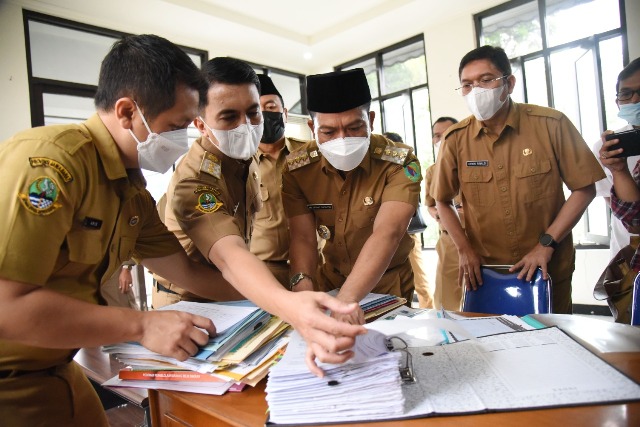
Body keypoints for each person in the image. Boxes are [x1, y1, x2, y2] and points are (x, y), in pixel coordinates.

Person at [0, 36, 362, 426]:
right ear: (126, 112)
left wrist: (281, 303)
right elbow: (7, 306)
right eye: (176, 125)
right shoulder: (52, 165)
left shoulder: (130, 191)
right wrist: (141, 324)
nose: (184, 135)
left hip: (56, 366)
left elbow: (190, 273)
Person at [162, 57, 365, 370]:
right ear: (200, 124)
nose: (246, 126)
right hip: (191, 306)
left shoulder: (242, 159)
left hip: (238, 295)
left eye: (253, 112)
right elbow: (229, 255)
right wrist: (285, 303)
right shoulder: (196, 179)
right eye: (229, 117)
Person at [431, 45, 605, 314]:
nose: (476, 91)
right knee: (489, 347)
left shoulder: (551, 124)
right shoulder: (455, 140)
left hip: (546, 266)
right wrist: (464, 249)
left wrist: (546, 244)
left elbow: (584, 188)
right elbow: (442, 200)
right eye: (467, 85)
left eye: (486, 80)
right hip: (485, 274)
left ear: (509, 83)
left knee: (551, 343)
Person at [282, 68, 422, 324]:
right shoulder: (298, 168)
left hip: (387, 287)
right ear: (312, 127)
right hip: (330, 282)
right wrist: (303, 291)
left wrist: (346, 301)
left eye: (355, 127)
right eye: (328, 132)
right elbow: (302, 237)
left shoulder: (399, 162)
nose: (342, 139)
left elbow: (388, 233)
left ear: (370, 119)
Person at [249, 74, 309, 286]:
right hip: (264, 273)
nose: (265, 113)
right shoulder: (241, 164)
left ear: (284, 113)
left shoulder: (310, 155)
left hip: (312, 267)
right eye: (257, 109)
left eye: (271, 107)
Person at [591, 57, 640, 259]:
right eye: (626, 94)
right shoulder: (607, 150)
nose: (635, 100)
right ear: (617, 101)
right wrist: (618, 170)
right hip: (628, 258)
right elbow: (621, 210)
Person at [382, 131, 433, 308]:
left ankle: (428, 310)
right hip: (380, 234)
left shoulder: (408, 167)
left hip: (408, 233)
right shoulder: (377, 171)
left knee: (420, 280)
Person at [424, 116, 464, 310]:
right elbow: (431, 204)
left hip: (482, 239)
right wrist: (439, 213)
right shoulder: (433, 171)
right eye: (436, 136)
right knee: (446, 300)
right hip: (450, 241)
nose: (440, 140)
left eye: (445, 134)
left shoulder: (474, 164)